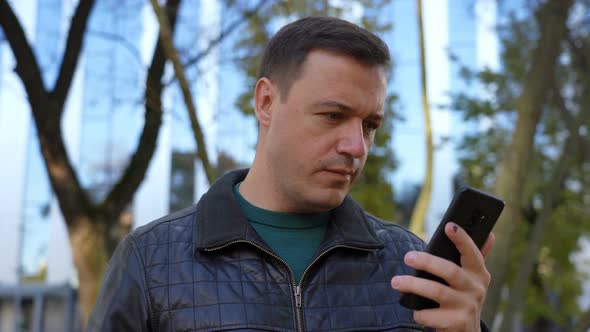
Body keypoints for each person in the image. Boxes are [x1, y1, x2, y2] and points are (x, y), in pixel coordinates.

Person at [87, 16, 494, 332]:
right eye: (333, 116)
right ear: (266, 102)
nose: (357, 146)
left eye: (370, 125)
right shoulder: (151, 259)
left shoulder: (409, 265)